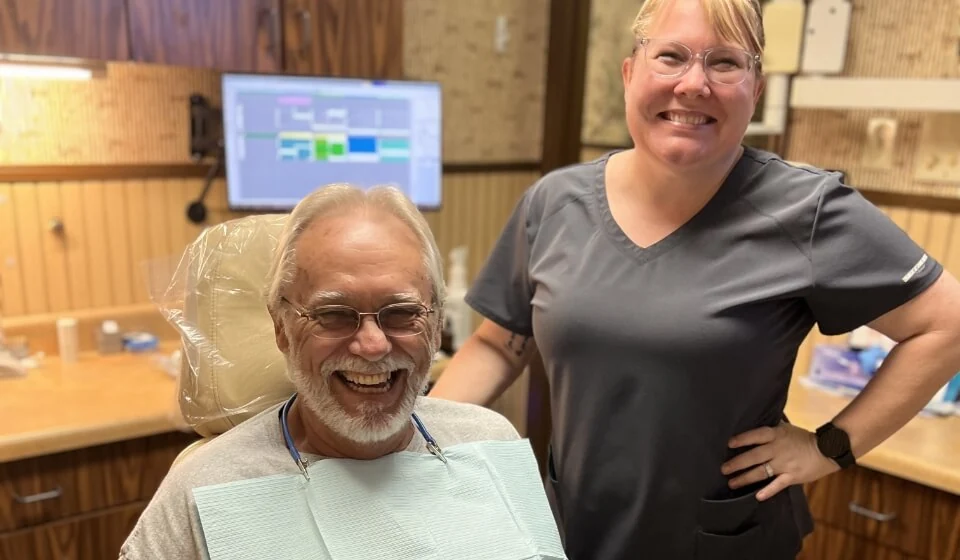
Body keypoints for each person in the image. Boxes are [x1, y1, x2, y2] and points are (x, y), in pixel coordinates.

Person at [428, 0, 960, 558]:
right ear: (630, 73)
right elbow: (497, 344)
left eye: (725, 62)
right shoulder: (555, 203)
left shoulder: (808, 212)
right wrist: (421, 444)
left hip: (719, 541)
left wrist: (827, 448)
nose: (693, 84)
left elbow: (944, 324)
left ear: (755, 89)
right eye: (671, 56)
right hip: (575, 530)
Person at [119, 185, 522, 559]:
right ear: (282, 327)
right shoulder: (202, 491)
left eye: (401, 313)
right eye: (333, 314)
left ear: (435, 327)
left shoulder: (490, 444)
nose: (373, 345)